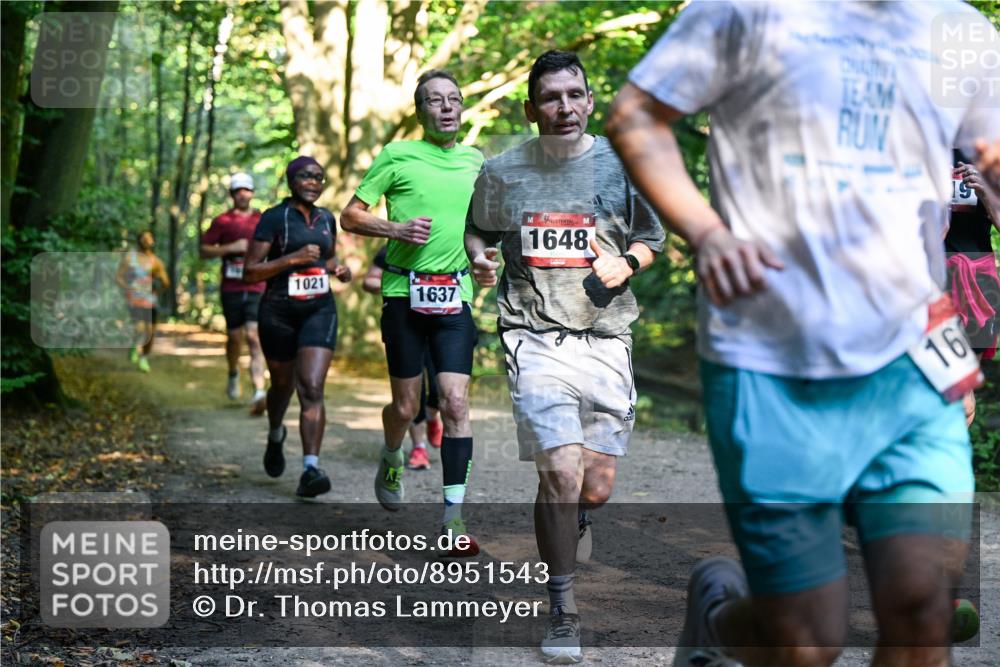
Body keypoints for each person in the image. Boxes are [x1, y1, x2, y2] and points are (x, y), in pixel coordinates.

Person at [606, 2, 998, 666]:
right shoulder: (746, 10)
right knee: (806, 638)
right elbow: (635, 114)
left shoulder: (957, 28)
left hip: (917, 354)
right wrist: (706, 233)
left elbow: (991, 151)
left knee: (925, 608)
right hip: (770, 354)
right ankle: (717, 617)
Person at [465, 50, 664, 663]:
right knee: (560, 473)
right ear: (531, 109)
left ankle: (574, 520)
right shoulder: (503, 171)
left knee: (595, 488)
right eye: (551, 98)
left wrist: (627, 261)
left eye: (574, 95)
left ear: (589, 100)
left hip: (606, 336)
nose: (564, 107)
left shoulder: (621, 163)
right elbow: (479, 228)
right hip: (535, 335)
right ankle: (562, 605)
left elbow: (652, 238)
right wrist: (479, 256)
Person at [341, 69, 482, 554]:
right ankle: (392, 452)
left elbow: (482, 228)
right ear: (420, 111)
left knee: (456, 403)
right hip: (404, 295)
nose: (446, 107)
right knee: (405, 406)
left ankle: (454, 519)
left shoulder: (475, 161)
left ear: (461, 108)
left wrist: (483, 260)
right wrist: (395, 230)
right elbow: (350, 214)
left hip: (455, 299)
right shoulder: (397, 155)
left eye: (454, 99)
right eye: (435, 100)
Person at [243, 156, 352, 498]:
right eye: (306, 176)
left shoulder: (326, 219)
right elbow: (251, 270)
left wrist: (339, 269)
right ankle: (276, 432)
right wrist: (291, 259)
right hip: (277, 313)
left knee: (312, 386)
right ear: (291, 180)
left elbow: (328, 257)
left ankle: (310, 468)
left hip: (319, 310)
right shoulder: (274, 218)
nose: (313, 182)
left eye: (319, 177)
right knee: (282, 386)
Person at [362, 244, 444, 470]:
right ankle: (419, 448)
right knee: (413, 394)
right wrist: (402, 287)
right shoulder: (393, 247)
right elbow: (369, 281)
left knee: (439, 390)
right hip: (406, 322)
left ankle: (432, 417)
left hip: (440, 322)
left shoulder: (447, 244)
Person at [200, 172, 268, 413]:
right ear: (232, 194)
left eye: (247, 190)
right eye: (238, 190)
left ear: (252, 193)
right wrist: (231, 247)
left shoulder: (262, 219)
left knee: (254, 335)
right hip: (231, 287)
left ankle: (259, 390)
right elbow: (204, 250)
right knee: (235, 336)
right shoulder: (223, 221)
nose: (243, 194)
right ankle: (232, 372)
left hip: (257, 285)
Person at [945, 153, 1000, 425]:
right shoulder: (920, 151)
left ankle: (952, 462)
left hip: (978, 285)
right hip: (927, 279)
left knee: (962, 394)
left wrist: (989, 195)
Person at [117, 230, 170, 373]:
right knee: (139, 328)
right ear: (139, 240)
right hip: (134, 299)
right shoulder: (130, 259)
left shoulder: (156, 262)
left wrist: (159, 286)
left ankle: (144, 358)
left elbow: (165, 281)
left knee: (150, 331)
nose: (147, 240)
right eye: (144, 238)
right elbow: (119, 277)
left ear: (153, 241)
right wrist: (127, 287)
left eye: (149, 238)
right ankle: (134, 346)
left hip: (150, 300)